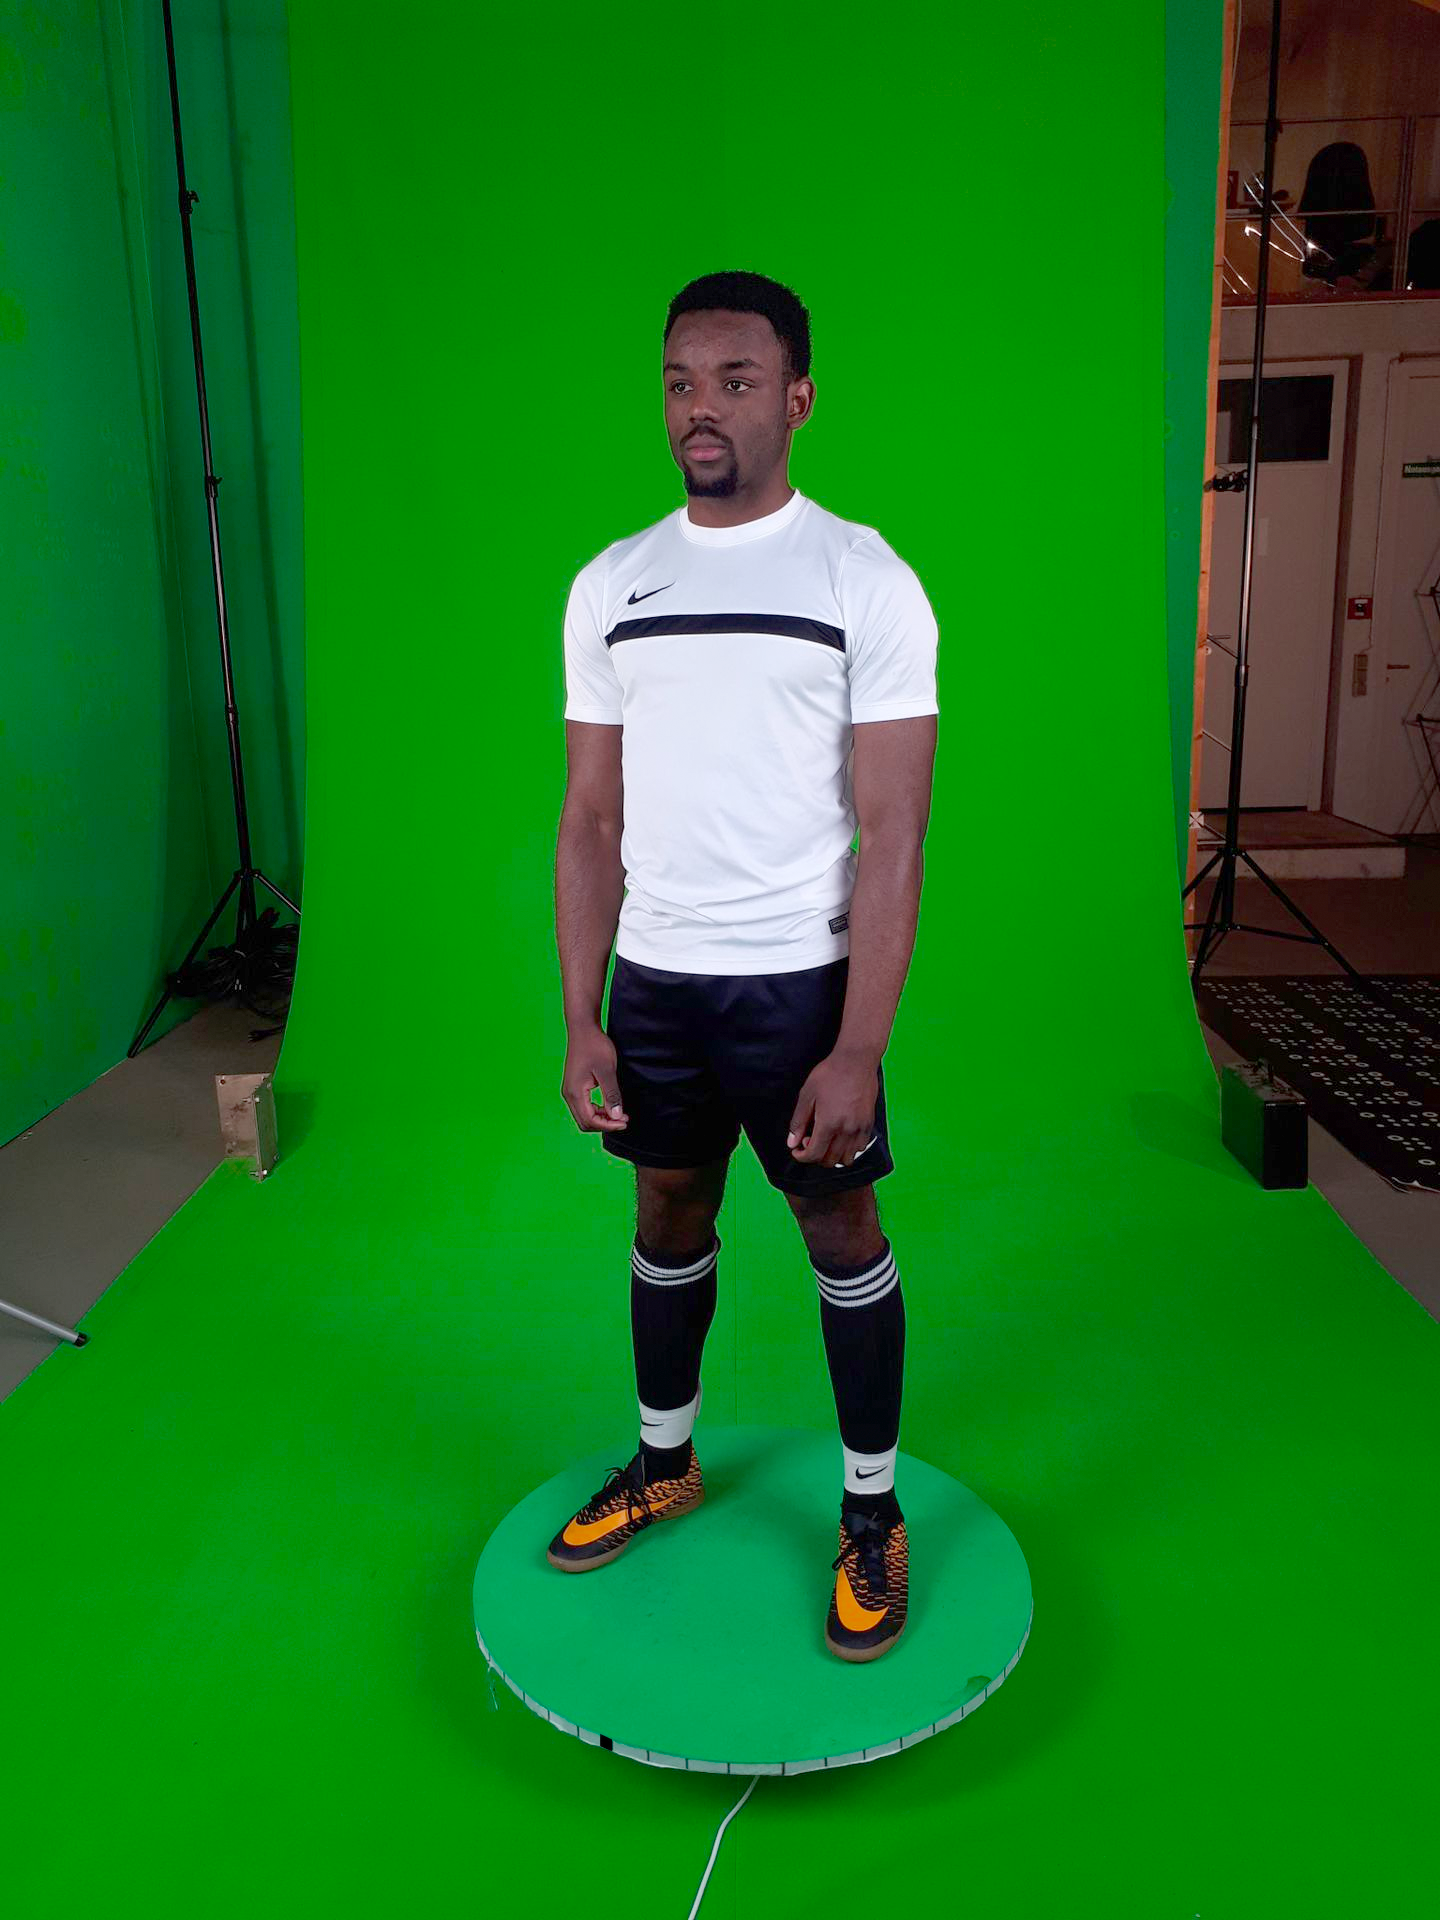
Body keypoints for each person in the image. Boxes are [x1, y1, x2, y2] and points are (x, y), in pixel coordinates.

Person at [550, 270, 939, 1662]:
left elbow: (895, 832)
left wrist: (860, 1043)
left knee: (839, 1229)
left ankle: (872, 1510)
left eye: (733, 380)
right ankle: (665, 1464)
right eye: (678, 382)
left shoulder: (863, 578)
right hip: (656, 984)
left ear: (798, 398)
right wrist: (583, 1014)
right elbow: (589, 819)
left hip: (798, 987)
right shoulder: (611, 584)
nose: (698, 408)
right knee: (666, 1212)